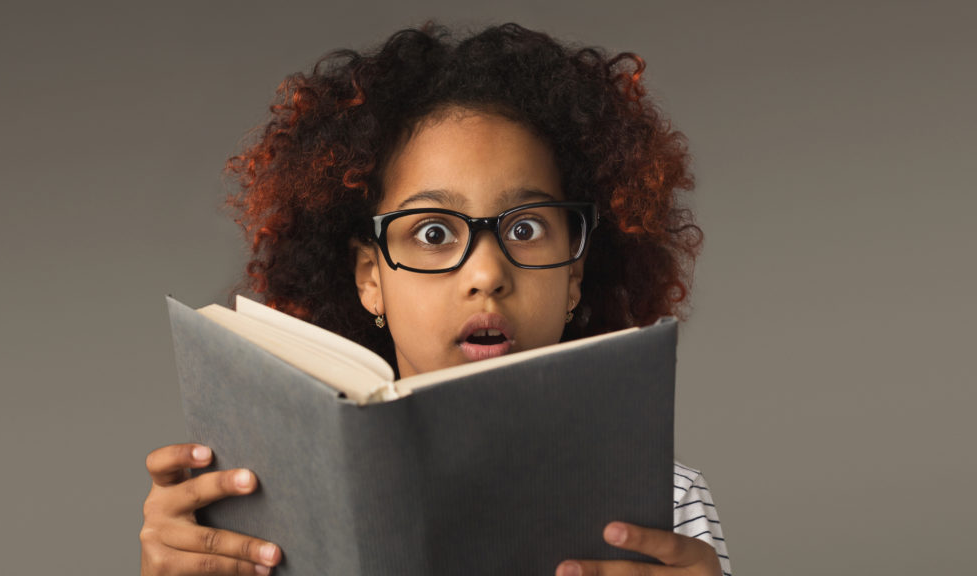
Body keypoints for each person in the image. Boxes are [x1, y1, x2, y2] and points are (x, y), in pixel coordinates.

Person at [140, 22, 731, 576]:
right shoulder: (260, 508)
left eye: (526, 228)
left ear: (574, 274)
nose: (486, 275)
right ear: (371, 277)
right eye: (432, 233)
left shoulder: (666, 503)